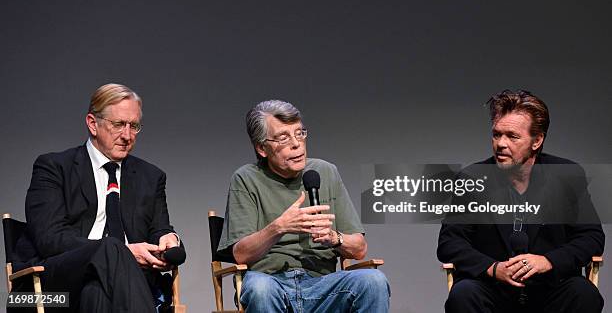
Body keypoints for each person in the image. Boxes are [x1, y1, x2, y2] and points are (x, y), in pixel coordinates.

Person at [11, 83, 181, 312]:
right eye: (119, 124)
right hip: (46, 290)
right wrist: (120, 252)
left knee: (98, 292)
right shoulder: (53, 167)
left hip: (117, 287)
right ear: (93, 124)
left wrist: (169, 238)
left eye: (134, 126)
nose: (127, 135)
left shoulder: (151, 177)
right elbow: (50, 239)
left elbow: (160, 230)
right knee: (112, 248)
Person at [437, 90, 605, 312]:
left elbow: (591, 237)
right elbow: (450, 243)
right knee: (464, 294)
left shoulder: (567, 175)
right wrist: (493, 268)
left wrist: (548, 261)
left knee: (583, 293)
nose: (501, 144)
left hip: (550, 289)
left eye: (512, 136)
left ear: (537, 141)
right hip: (493, 290)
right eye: (497, 135)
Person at [218, 100, 390, 313]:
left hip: (323, 285)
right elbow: (240, 255)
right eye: (283, 137)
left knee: (373, 281)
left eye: (299, 133)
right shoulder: (245, 178)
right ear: (262, 148)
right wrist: (280, 226)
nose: (296, 144)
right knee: (260, 288)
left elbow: (359, 249)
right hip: (271, 282)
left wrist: (335, 238)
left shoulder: (325, 172)